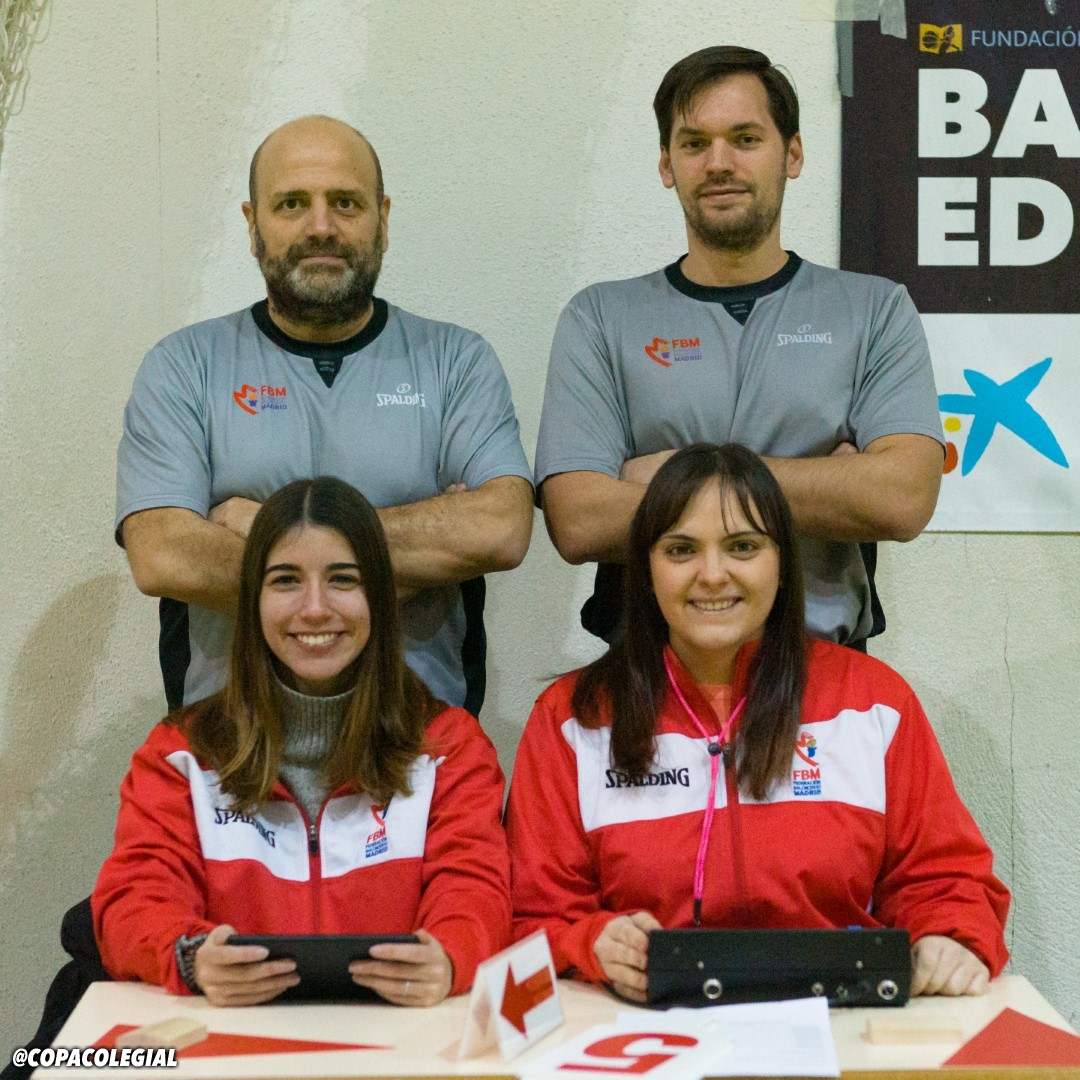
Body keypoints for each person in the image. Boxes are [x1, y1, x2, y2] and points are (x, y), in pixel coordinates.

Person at [505, 444, 1009, 1002]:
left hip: (841, 1019)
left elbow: (945, 880)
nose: (712, 575)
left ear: (783, 563)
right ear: (645, 570)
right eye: (681, 550)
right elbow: (532, 915)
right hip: (642, 1025)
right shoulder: (571, 718)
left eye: (742, 546)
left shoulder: (873, 703)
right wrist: (591, 942)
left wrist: (949, 938)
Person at [117, 114, 533, 718]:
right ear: (252, 224)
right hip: (230, 739)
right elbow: (164, 553)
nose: (321, 227)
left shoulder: (455, 360)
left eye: (345, 203)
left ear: (382, 220)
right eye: (291, 204)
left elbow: (500, 527)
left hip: (420, 735)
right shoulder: (184, 365)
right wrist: (412, 555)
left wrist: (263, 529)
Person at [535, 46, 944, 649]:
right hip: (649, 670)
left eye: (746, 139)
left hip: (822, 668)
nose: (719, 162)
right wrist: (828, 482)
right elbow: (577, 521)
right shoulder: (599, 318)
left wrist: (669, 477)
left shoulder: (875, 310)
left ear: (792, 154)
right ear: (667, 164)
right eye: (694, 143)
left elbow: (903, 498)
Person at [93, 476, 511, 1006]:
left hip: (401, 1031)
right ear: (253, 599)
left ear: (380, 598)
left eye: (343, 579)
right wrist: (191, 957)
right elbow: (133, 900)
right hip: (236, 1033)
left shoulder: (450, 747)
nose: (314, 608)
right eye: (286, 580)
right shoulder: (180, 753)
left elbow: (477, 892)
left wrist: (448, 956)